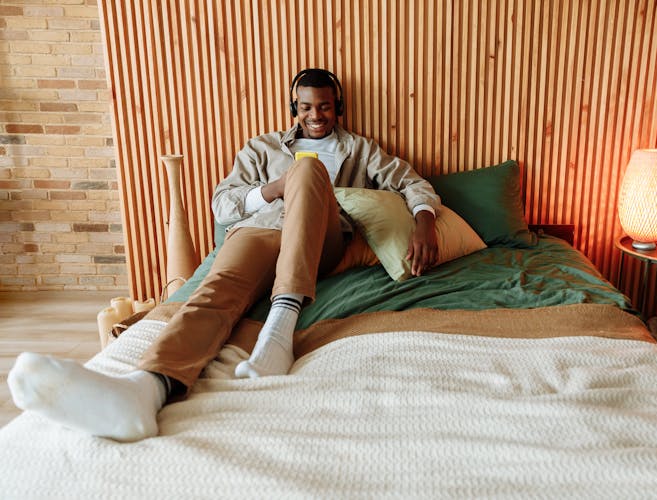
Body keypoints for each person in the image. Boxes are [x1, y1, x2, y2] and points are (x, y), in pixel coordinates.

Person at [7, 68, 440, 442]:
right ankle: (146, 387)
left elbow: (412, 183)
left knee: (308, 168)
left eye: (324, 107)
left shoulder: (362, 150)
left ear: (338, 107)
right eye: (306, 107)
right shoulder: (260, 148)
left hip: (317, 240)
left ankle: (280, 325)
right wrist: (276, 187)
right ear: (294, 109)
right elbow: (222, 204)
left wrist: (422, 221)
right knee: (216, 289)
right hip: (258, 230)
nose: (316, 115)